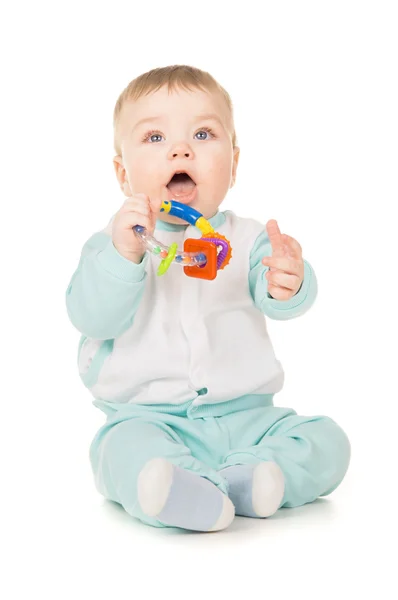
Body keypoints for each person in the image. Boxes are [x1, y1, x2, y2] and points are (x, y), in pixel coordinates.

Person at [66, 65, 350, 532]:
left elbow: (276, 292)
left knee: (328, 441)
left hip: (249, 421)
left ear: (234, 165)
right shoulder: (113, 244)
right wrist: (124, 256)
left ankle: (248, 478)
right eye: (155, 138)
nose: (181, 149)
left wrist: (289, 280)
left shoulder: (249, 238)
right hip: (151, 421)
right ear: (123, 173)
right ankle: (180, 490)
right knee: (119, 451)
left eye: (202, 133)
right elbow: (92, 317)